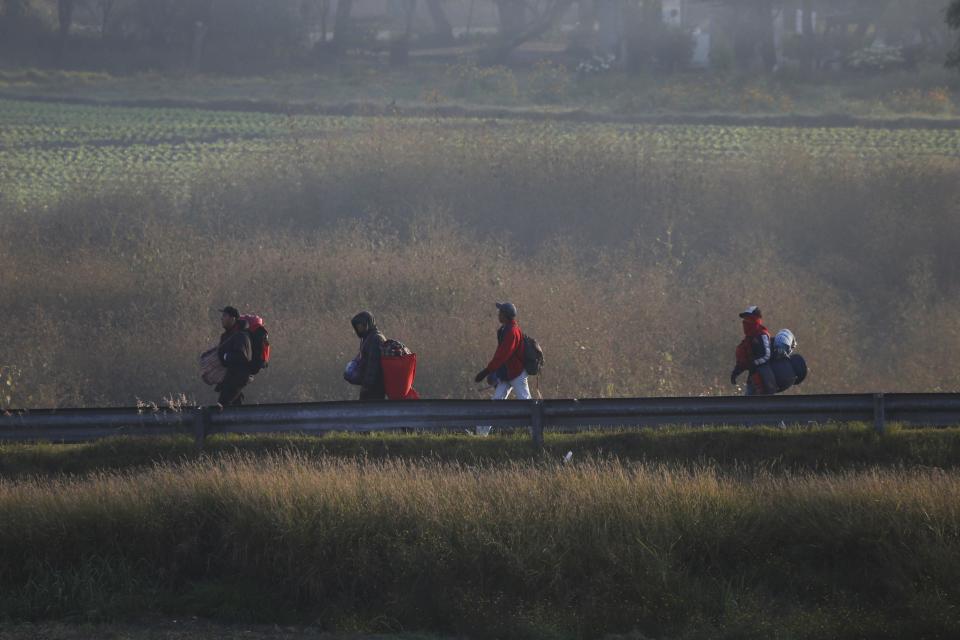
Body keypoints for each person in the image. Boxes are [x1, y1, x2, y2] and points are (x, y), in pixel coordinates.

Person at [474, 302, 531, 401]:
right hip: (507, 374)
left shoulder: (512, 332)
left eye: (500, 312)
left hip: (517, 373)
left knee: (526, 403)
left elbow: (502, 355)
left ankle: (536, 416)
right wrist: (495, 372)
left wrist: (487, 371)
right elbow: (501, 355)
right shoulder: (506, 329)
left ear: (505, 316)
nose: (498, 315)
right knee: (497, 401)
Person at [730, 305, 777, 396]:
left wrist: (754, 363)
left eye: (749, 318)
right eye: (745, 319)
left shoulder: (762, 335)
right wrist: (736, 372)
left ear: (755, 319)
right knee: (748, 406)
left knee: (763, 406)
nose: (746, 322)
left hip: (764, 379)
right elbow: (744, 360)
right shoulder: (748, 338)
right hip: (753, 379)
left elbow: (767, 355)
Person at [216, 306, 252, 407]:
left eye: (224, 315)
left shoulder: (241, 335)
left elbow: (242, 357)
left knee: (222, 404)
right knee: (235, 404)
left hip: (238, 377)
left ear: (233, 319)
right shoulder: (226, 336)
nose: (221, 318)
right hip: (229, 376)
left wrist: (226, 356)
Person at [351, 311, 387, 401]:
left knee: (369, 412)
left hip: (375, 387)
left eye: (361, 325)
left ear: (368, 324)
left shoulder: (375, 338)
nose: (359, 327)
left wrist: (367, 385)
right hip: (369, 386)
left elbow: (373, 364)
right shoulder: (367, 338)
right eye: (357, 325)